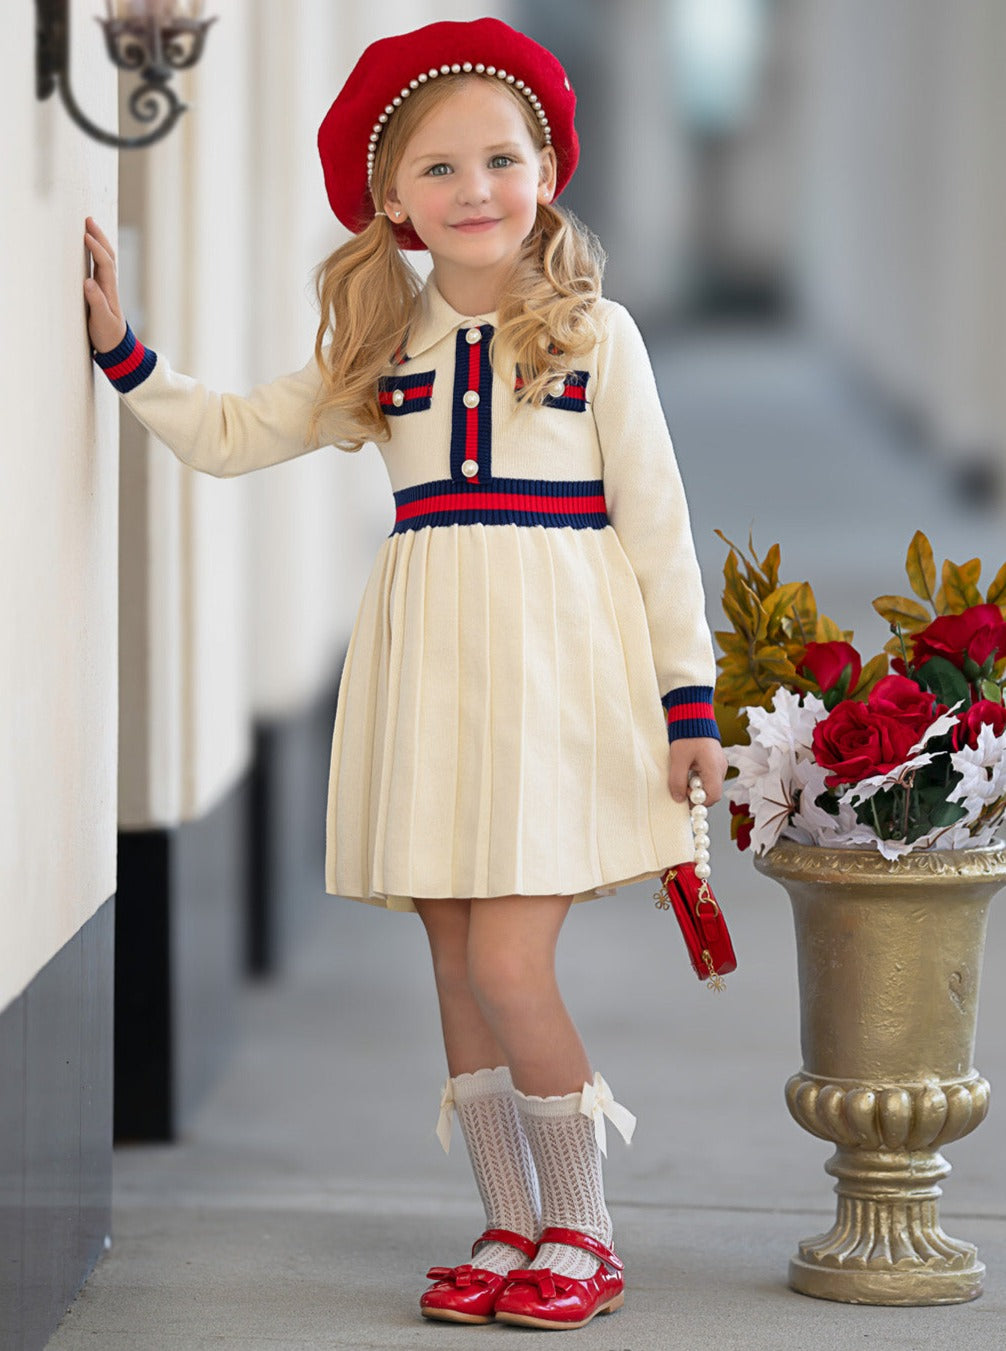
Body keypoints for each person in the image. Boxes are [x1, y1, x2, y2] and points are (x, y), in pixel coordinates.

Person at [84, 16, 727, 1332]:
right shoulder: (385, 347)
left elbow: (658, 528)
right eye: (439, 169)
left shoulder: (594, 335)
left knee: (510, 964)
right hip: (431, 680)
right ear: (391, 201)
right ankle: (507, 1220)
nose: (475, 190)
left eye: (500, 160)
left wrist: (687, 705)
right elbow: (237, 432)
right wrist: (121, 352)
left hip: (556, 685)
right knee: (454, 966)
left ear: (546, 172)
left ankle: (583, 1230)